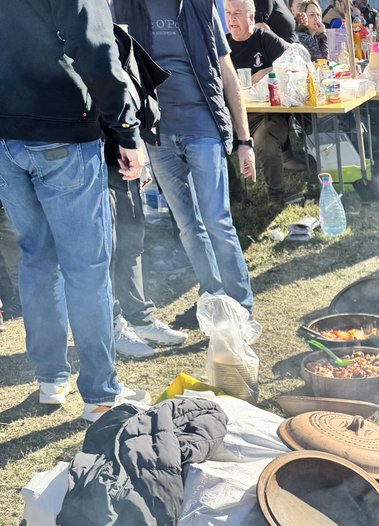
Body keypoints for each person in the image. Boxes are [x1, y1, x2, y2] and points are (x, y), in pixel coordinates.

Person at [0, 0, 145, 419]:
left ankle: (51, 380)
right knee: (85, 268)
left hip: (7, 141)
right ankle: (101, 396)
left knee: (37, 259)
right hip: (61, 135)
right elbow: (98, 49)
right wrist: (127, 132)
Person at [112, 0, 257, 314]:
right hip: (158, 136)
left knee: (217, 221)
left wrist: (245, 140)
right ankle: (214, 300)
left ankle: (241, 306)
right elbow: (117, 72)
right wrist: (131, 139)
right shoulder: (126, 8)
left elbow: (227, 72)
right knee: (188, 226)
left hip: (202, 127)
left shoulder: (199, 6)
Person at [106, 19, 188, 360]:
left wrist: (138, 147)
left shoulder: (114, 30)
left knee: (132, 235)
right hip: (88, 151)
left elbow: (132, 92)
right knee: (105, 245)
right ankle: (112, 325)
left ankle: (140, 318)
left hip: (122, 148)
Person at [225, 0, 292, 203]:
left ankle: (276, 196)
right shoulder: (222, 45)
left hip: (268, 115)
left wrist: (267, 71)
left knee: (265, 140)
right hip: (237, 116)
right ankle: (235, 196)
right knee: (214, 139)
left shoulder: (265, 38)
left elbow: (294, 61)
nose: (231, 18)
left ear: (252, 17)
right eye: (227, 13)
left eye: (237, 13)